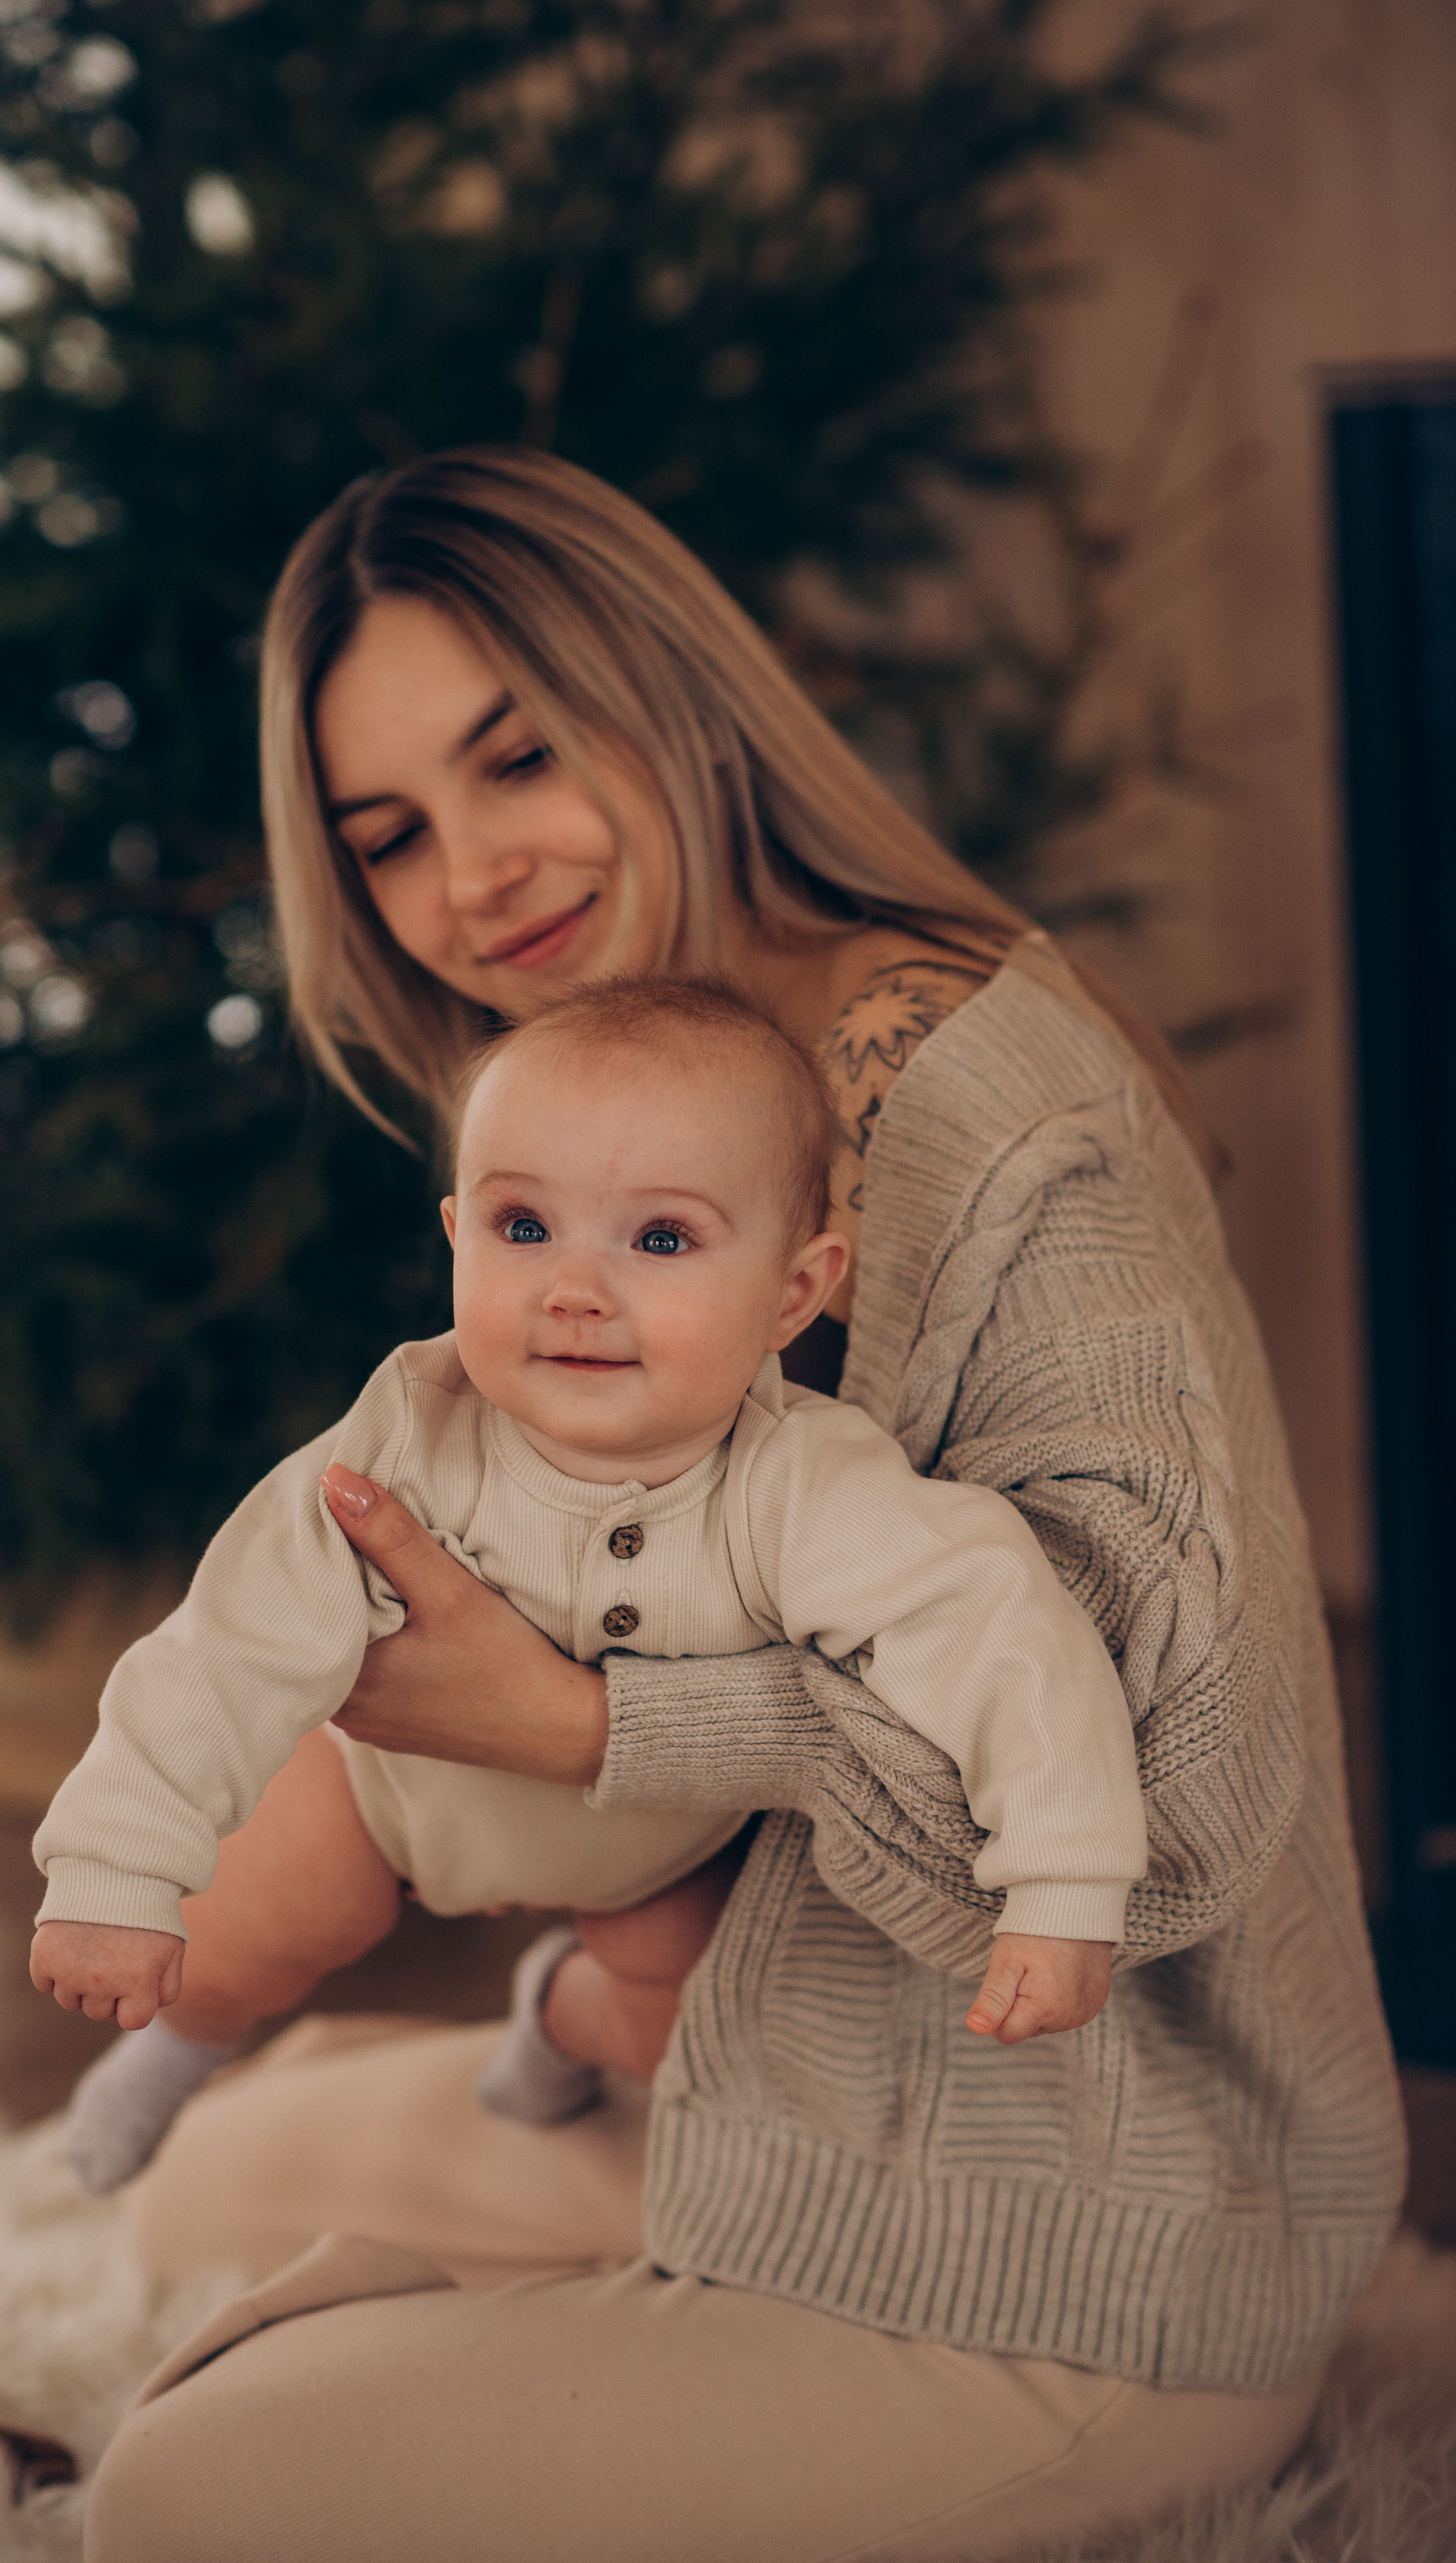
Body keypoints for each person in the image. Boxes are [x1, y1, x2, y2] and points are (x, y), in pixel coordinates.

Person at [82, 448, 1405, 2563]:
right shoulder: (635, 1109)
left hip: (1074, 2216)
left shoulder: (1003, 1127)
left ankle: (712, 2348)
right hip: (794, 2074)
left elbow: (1178, 1783)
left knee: (181, 2496)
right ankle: (595, 2157)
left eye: (519, 757)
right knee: (198, 2178)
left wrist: (592, 1728)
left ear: (673, 696)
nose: (473, 875)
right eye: (391, 833)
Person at [31, 978, 1144, 2193]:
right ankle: (166, 2064)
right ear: (456, 1236)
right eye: (523, 1228)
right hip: (388, 1797)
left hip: (650, 1852)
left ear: (791, 1294)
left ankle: (559, 2014)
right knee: (239, 1937)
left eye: (660, 1241)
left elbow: (999, 1634)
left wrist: (1063, 1880)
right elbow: (225, 1647)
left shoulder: (806, 1488)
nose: (574, 1290)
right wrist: (114, 1873)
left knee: (702, 2023)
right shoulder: (404, 1440)